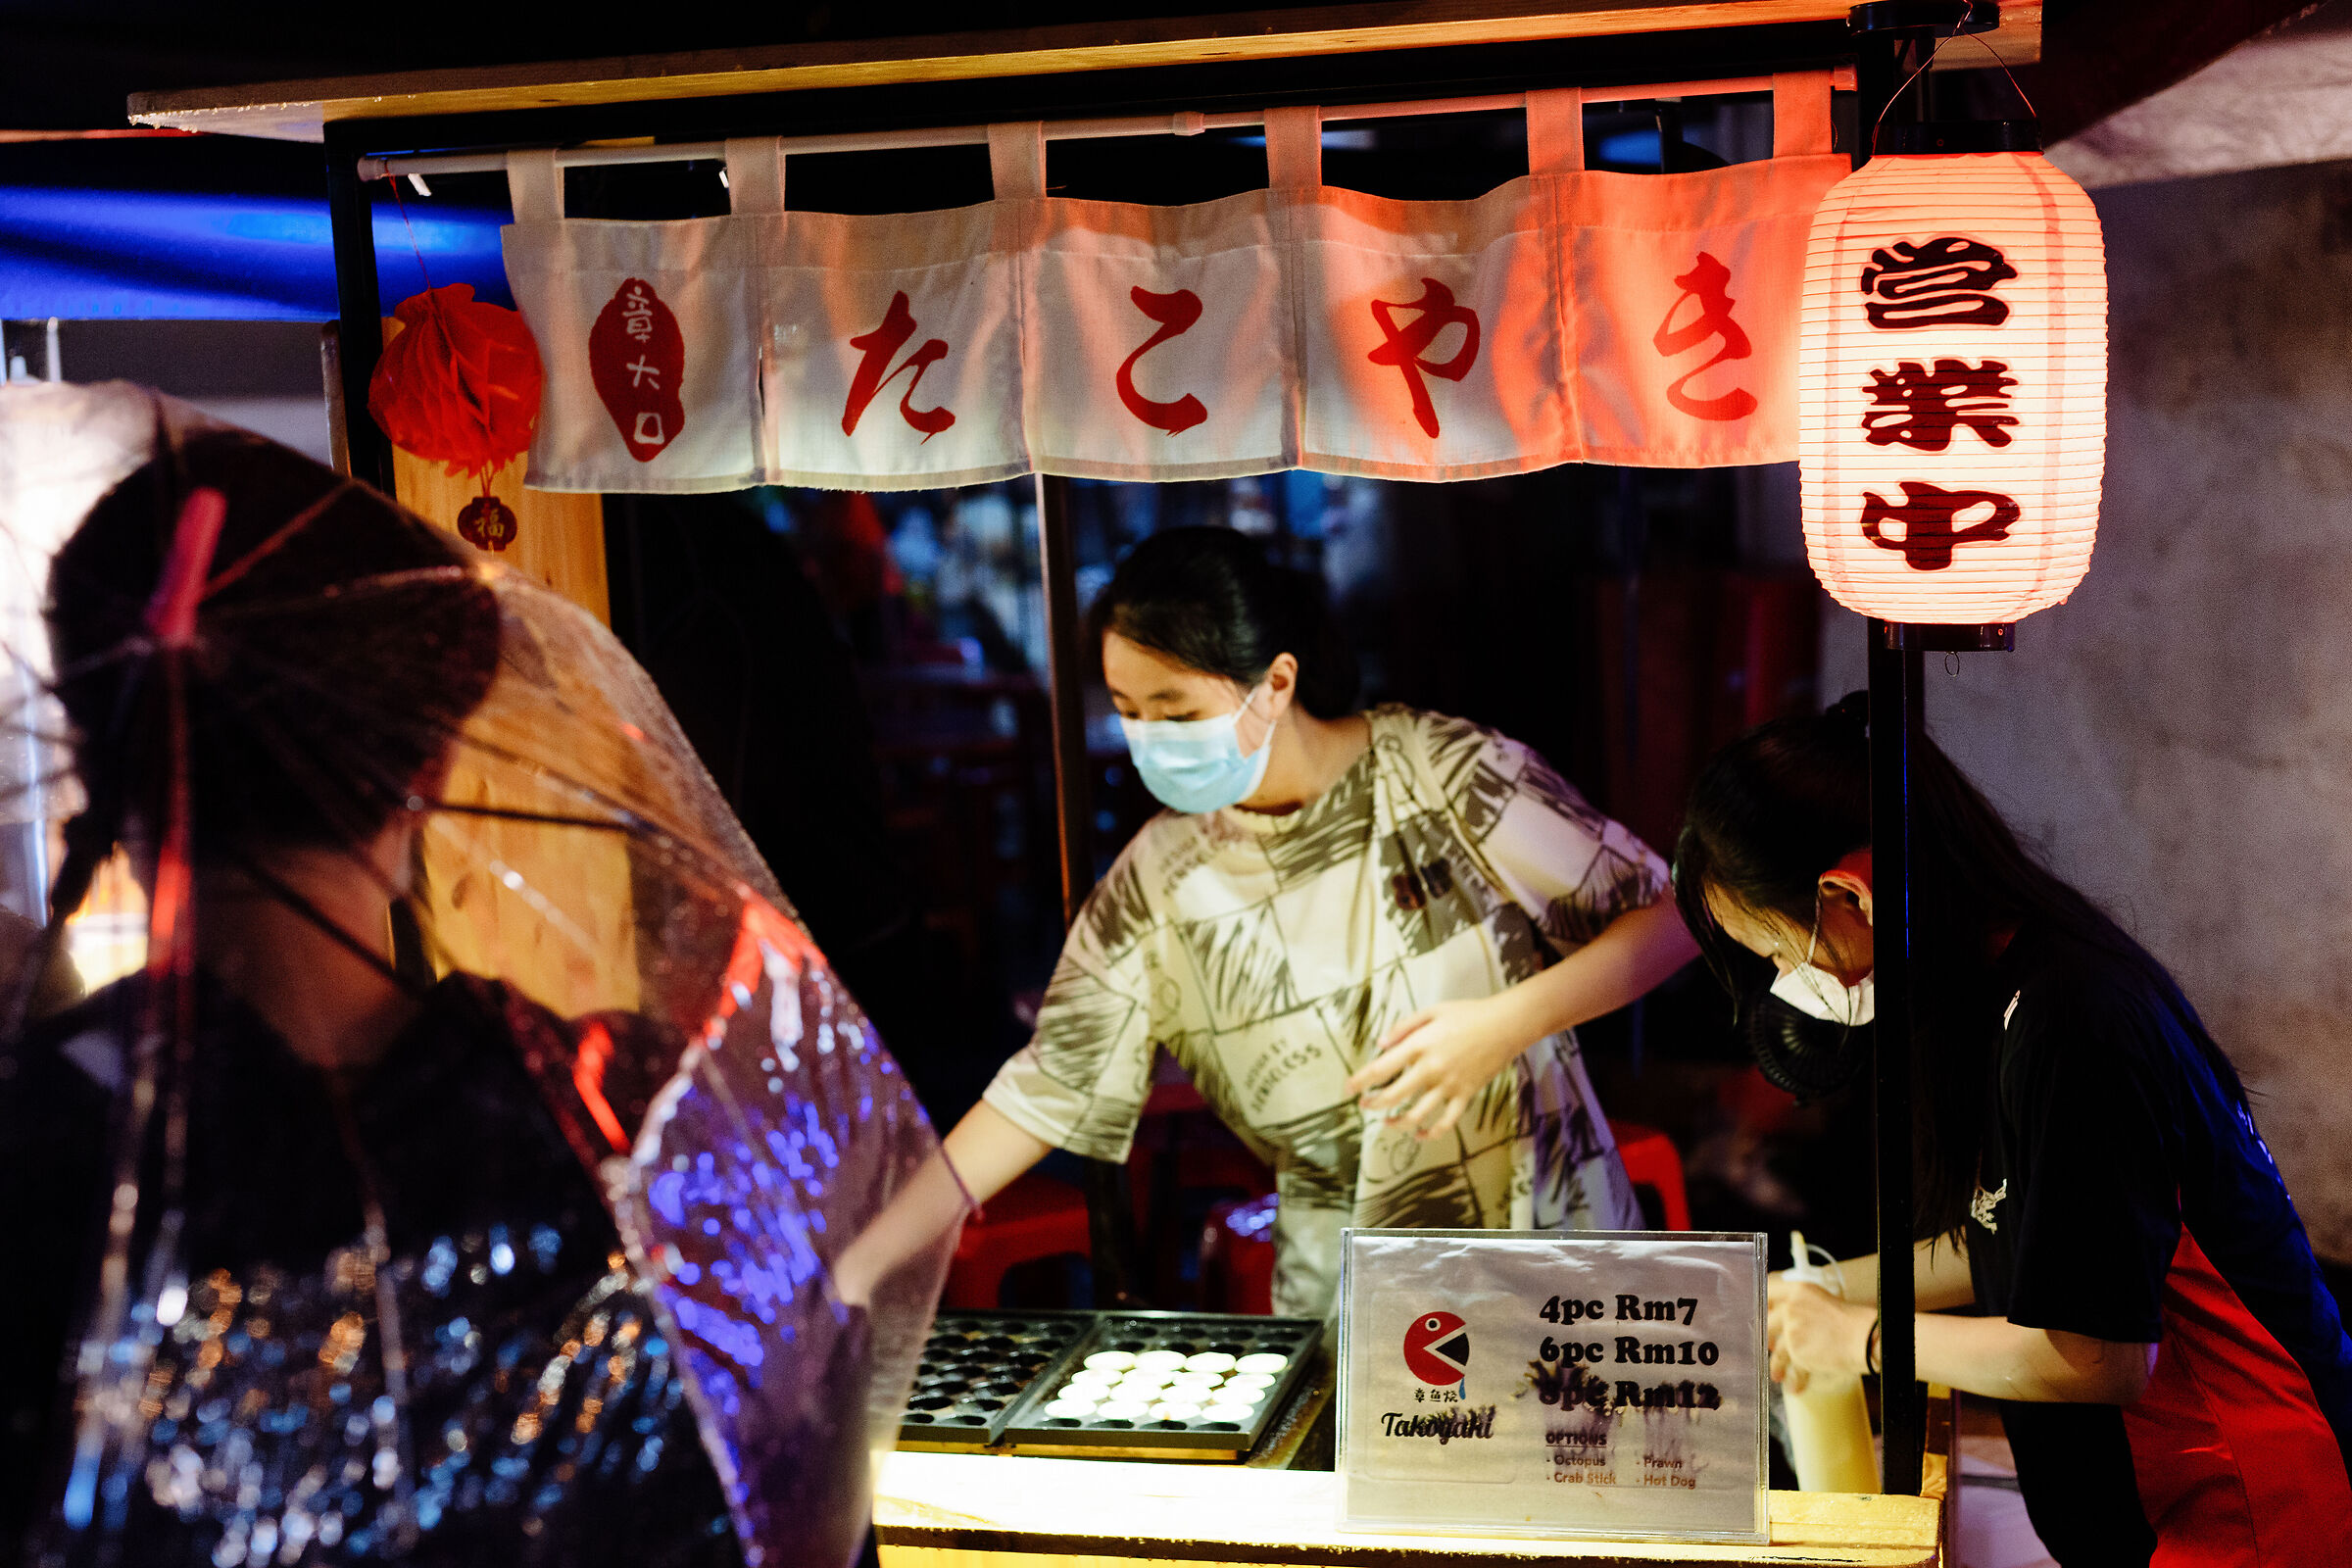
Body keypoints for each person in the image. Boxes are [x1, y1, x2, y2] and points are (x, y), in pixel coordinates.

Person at [1, 425, 944, 1567]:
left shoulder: (44, 1155)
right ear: (432, 762)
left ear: (97, 762)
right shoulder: (627, 1121)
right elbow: (795, 1500)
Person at [938, 526, 1696, 1318]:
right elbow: (1049, 1083)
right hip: (1347, 1299)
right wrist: (883, 1241)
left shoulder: (1441, 774)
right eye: (1129, 711)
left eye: (1177, 710)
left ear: (1276, 682)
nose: (1152, 738)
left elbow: (1672, 918)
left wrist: (1506, 1025)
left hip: (1552, 1261)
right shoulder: (1159, 877)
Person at [1673, 692, 2352, 1565]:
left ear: (1848, 895)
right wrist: (1814, 1291)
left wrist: (1861, 1339)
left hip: (2250, 1500)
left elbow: (2096, 1354)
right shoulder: (2002, 986)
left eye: (1775, 950)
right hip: (2166, 1504)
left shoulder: (2073, 1022)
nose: (1783, 978)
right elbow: (2012, 1236)